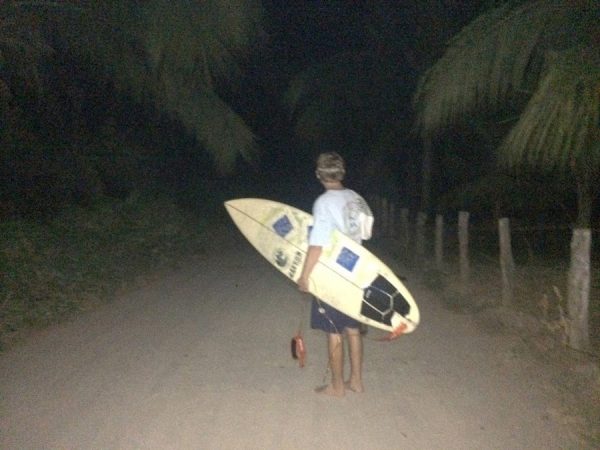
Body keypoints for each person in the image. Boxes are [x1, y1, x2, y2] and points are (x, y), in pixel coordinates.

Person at [297, 152, 373, 397]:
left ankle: (337, 386)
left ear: (319, 174)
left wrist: (305, 276)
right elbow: (366, 232)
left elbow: (317, 245)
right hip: (355, 271)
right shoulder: (356, 198)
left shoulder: (323, 203)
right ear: (342, 173)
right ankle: (356, 382)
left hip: (333, 274)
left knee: (334, 331)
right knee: (352, 329)